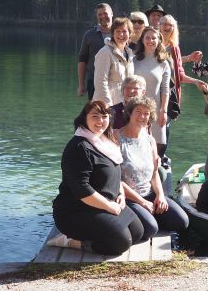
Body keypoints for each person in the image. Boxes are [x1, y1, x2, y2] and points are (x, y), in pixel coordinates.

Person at [48, 101, 144, 255]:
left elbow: (116, 173)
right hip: (77, 211)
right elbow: (82, 189)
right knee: (121, 243)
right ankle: (71, 241)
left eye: (104, 117)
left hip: (104, 204)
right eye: (95, 116)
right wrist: (109, 206)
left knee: (138, 232)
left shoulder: (106, 142)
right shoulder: (79, 147)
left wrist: (121, 195)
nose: (100, 121)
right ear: (84, 118)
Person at [118, 97, 189, 240]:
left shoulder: (149, 140)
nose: (142, 116)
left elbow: (155, 173)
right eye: (138, 112)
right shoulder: (117, 140)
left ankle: (148, 217)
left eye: (146, 113)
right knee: (151, 229)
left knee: (182, 222)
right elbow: (117, 181)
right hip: (129, 198)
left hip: (150, 193)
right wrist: (142, 202)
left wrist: (160, 195)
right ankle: (139, 219)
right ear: (129, 113)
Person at [133, 26, 171, 157]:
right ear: (142, 40)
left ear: (159, 40)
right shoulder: (134, 60)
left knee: (157, 149)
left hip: (155, 110)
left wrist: (163, 111)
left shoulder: (164, 63)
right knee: (136, 146)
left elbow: (165, 89)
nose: (150, 40)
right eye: (147, 38)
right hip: (135, 109)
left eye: (154, 38)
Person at [92, 17, 134, 107]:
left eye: (124, 31)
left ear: (130, 34)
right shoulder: (105, 52)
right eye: (117, 31)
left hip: (125, 105)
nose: (121, 34)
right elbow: (100, 81)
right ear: (112, 34)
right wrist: (107, 104)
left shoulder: (129, 53)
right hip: (109, 105)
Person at [77, 3, 112, 100]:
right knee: (96, 111)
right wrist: (81, 84)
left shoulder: (120, 34)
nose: (102, 16)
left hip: (115, 80)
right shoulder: (89, 35)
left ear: (112, 14)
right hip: (93, 81)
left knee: (115, 112)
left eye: (105, 13)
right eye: (99, 14)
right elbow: (82, 60)